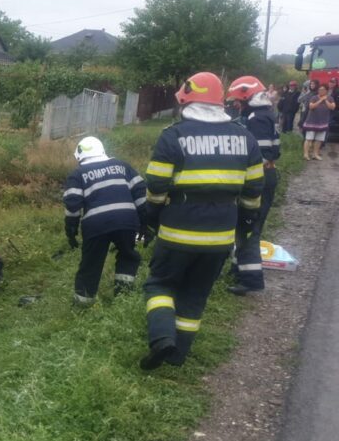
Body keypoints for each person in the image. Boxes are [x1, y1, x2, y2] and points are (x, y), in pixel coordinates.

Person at [140, 71, 264, 370]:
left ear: (186, 100)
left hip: (178, 229)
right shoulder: (245, 137)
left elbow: (156, 187)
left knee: (160, 285)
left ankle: (161, 338)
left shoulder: (174, 135)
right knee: (195, 294)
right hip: (220, 233)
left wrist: (150, 219)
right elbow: (254, 190)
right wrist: (245, 225)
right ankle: (178, 354)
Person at [62, 136, 147, 305]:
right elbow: (140, 191)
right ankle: (123, 296)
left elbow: (73, 204)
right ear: (102, 150)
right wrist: (144, 223)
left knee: (91, 263)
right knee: (128, 255)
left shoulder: (78, 174)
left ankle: (83, 303)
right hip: (127, 221)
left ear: (79, 156)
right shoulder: (122, 166)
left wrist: (71, 230)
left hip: (96, 226)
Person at [225, 75, 280, 296]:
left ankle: (251, 279)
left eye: (238, 100)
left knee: (249, 228)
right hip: (266, 176)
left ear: (248, 97)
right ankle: (238, 268)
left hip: (259, 178)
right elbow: (275, 151)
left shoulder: (257, 118)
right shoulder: (266, 114)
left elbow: (260, 155)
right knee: (244, 226)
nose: (236, 104)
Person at [303, 84, 335, 160]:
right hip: (312, 122)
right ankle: (306, 154)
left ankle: (315, 154)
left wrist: (325, 100)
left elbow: (332, 107)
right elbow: (311, 106)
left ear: (326, 91)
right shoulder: (314, 97)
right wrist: (320, 100)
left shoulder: (330, 98)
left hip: (323, 123)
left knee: (319, 140)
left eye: (322, 90)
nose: (320, 91)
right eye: (319, 89)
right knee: (308, 139)